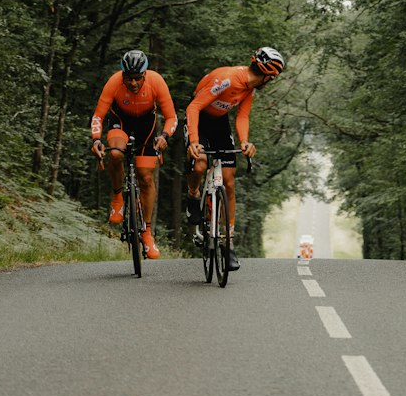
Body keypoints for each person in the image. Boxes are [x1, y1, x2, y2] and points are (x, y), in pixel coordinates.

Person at [183, 45, 285, 271]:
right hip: (199, 118)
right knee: (200, 163)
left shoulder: (250, 89)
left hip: (219, 123)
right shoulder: (228, 80)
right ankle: (193, 195)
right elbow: (194, 107)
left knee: (228, 182)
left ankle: (227, 244)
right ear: (268, 75)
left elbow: (243, 116)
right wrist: (193, 141)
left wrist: (245, 142)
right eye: (273, 77)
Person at [90, 49, 177, 259]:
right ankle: (118, 197)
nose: (134, 83)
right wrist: (95, 139)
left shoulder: (156, 82)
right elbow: (98, 116)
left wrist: (165, 135)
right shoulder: (114, 83)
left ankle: (146, 232)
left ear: (145, 75)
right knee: (117, 154)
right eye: (129, 79)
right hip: (120, 121)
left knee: (146, 177)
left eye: (138, 78)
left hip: (146, 125)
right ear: (123, 76)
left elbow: (172, 117)